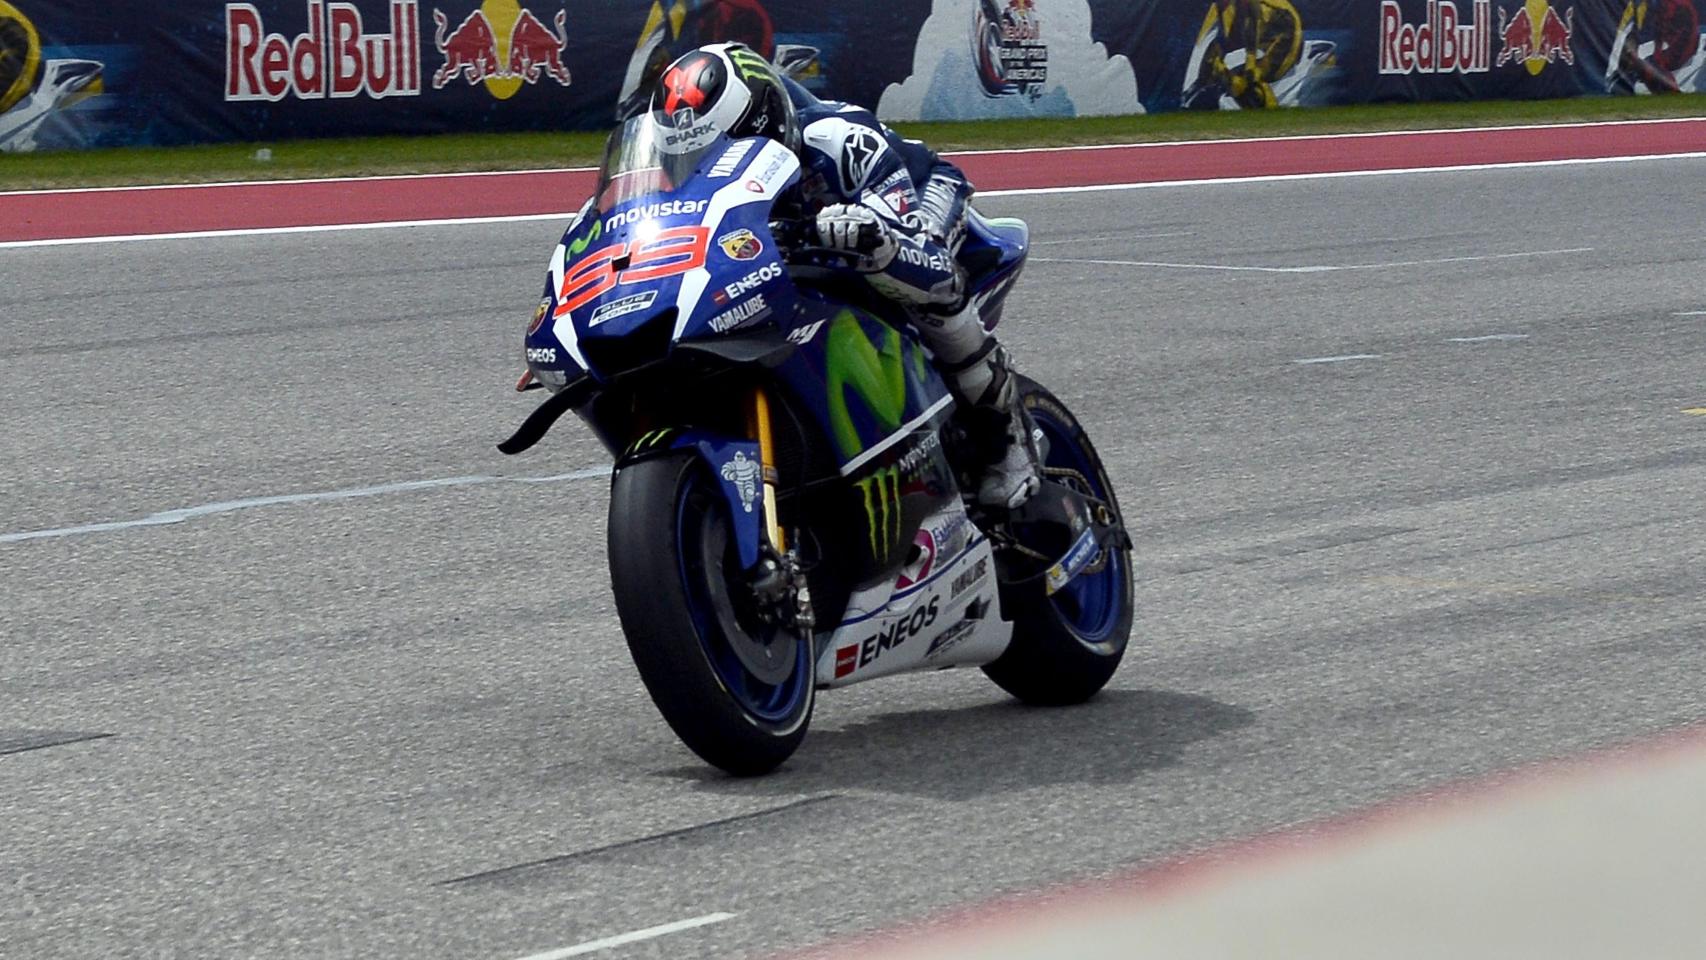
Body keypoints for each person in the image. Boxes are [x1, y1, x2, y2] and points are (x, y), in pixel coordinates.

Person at [647, 42, 1041, 509]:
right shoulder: (670, 175)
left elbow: (909, 240)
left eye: (722, 148)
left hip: (914, 196)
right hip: (801, 235)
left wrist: (874, 235)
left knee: (928, 283)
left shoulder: (838, 139)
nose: (707, 165)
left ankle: (1008, 440)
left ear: (764, 121)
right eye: (693, 159)